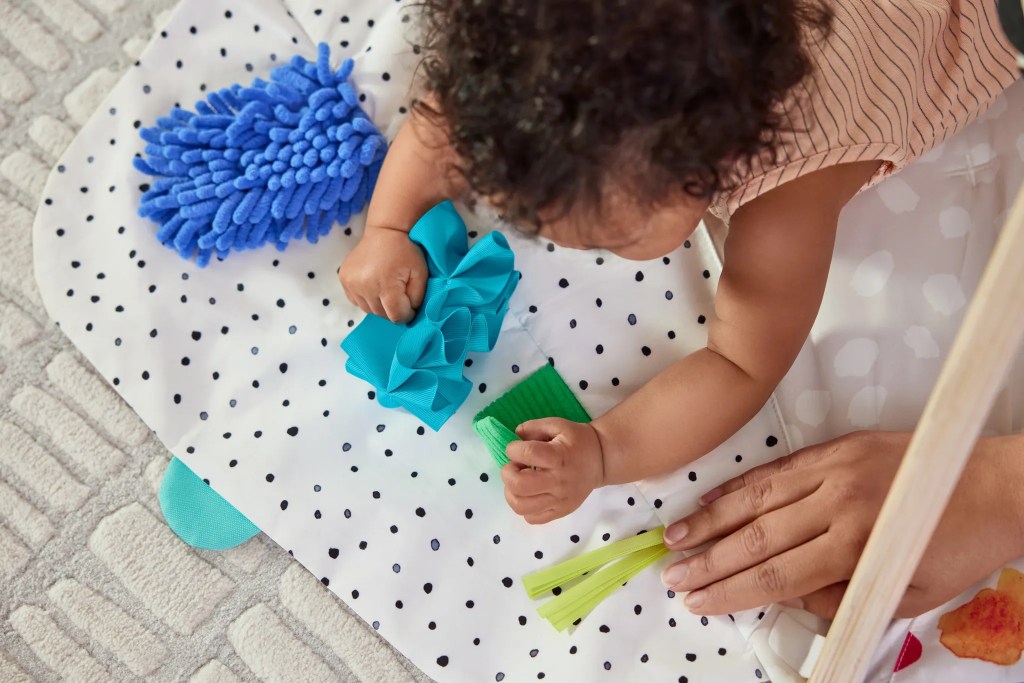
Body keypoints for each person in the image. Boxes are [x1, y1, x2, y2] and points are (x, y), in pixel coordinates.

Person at [338, 0, 1022, 616]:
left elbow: (740, 362)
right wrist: (388, 228)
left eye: (611, 239)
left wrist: (606, 450)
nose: (558, 245)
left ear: (711, 168)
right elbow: (450, 114)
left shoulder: (787, 193)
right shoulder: (550, 44)